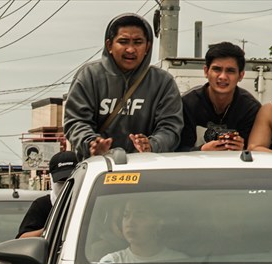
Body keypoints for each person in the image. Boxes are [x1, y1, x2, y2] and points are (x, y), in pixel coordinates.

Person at [63, 13, 183, 158]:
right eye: (123, 41)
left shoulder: (163, 82)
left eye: (138, 42)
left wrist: (152, 145)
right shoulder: (89, 76)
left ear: (147, 47)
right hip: (99, 169)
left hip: (148, 170)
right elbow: (76, 121)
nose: (131, 49)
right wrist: (92, 143)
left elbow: (171, 128)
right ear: (109, 46)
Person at [179, 41, 261, 152]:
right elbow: (176, 151)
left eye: (230, 71)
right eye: (217, 69)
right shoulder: (187, 104)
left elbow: (257, 152)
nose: (223, 76)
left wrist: (243, 149)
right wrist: (202, 150)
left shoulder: (250, 108)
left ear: (241, 76)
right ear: (206, 71)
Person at [99, 198, 186, 263]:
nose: (130, 223)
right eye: (126, 215)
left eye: (139, 216)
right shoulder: (112, 262)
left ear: (159, 223)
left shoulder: (180, 261)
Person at [16, 150, 78, 238]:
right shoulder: (42, 205)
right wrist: (49, 229)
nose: (66, 186)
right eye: (61, 181)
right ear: (52, 179)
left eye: (71, 181)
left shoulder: (90, 202)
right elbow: (22, 238)